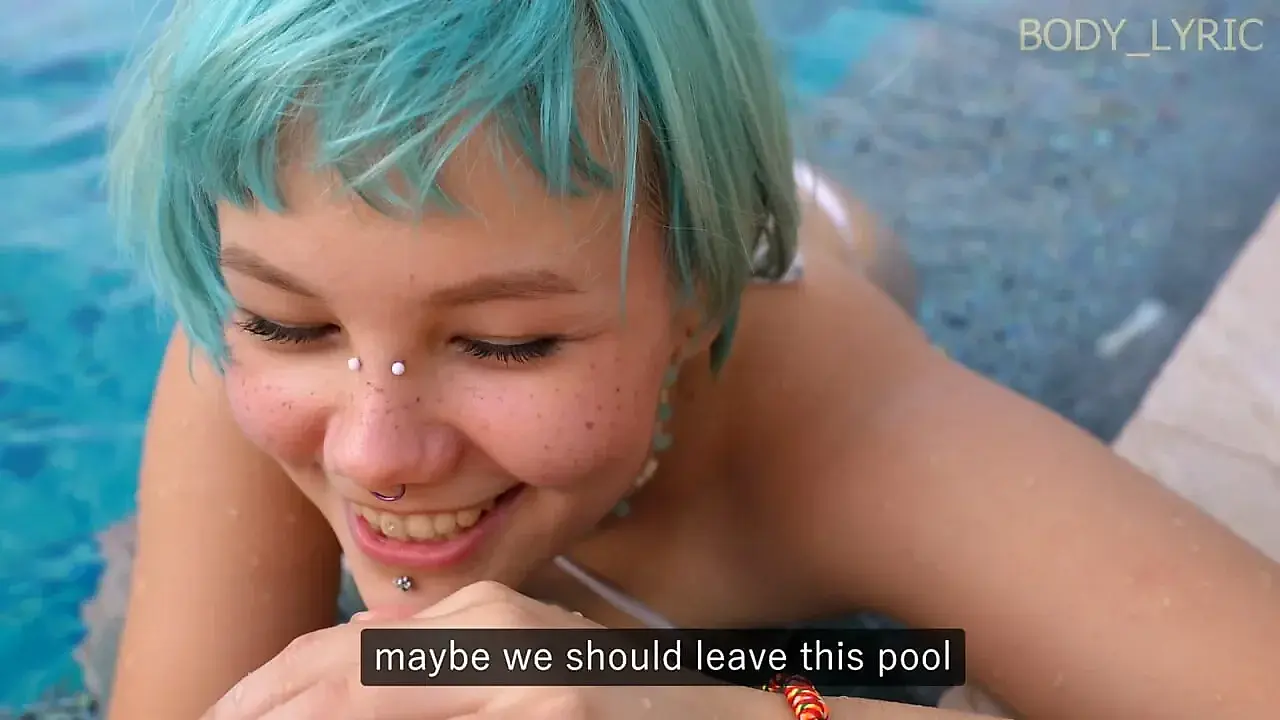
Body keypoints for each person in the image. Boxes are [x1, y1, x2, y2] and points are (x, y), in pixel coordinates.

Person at [101, 0, 1279, 718]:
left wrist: (691, 704)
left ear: (692, 301)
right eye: (289, 324)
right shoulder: (265, 344)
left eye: (506, 343)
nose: (373, 451)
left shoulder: (839, 434)